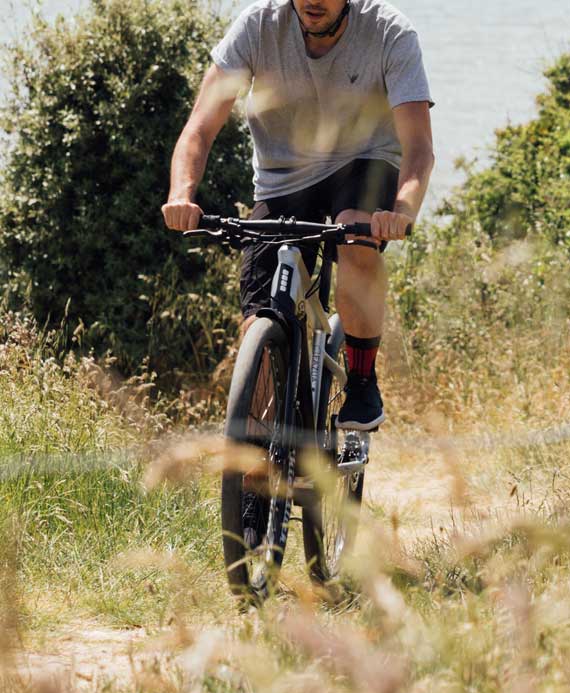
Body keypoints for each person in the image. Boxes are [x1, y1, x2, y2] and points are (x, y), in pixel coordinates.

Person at [162, 0, 434, 432]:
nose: (312, 1)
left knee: (355, 235)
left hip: (364, 162)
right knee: (258, 318)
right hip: (283, 181)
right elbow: (199, 127)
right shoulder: (257, 25)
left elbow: (418, 147)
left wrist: (400, 211)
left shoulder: (389, 32)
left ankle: (362, 379)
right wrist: (181, 194)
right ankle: (260, 473)